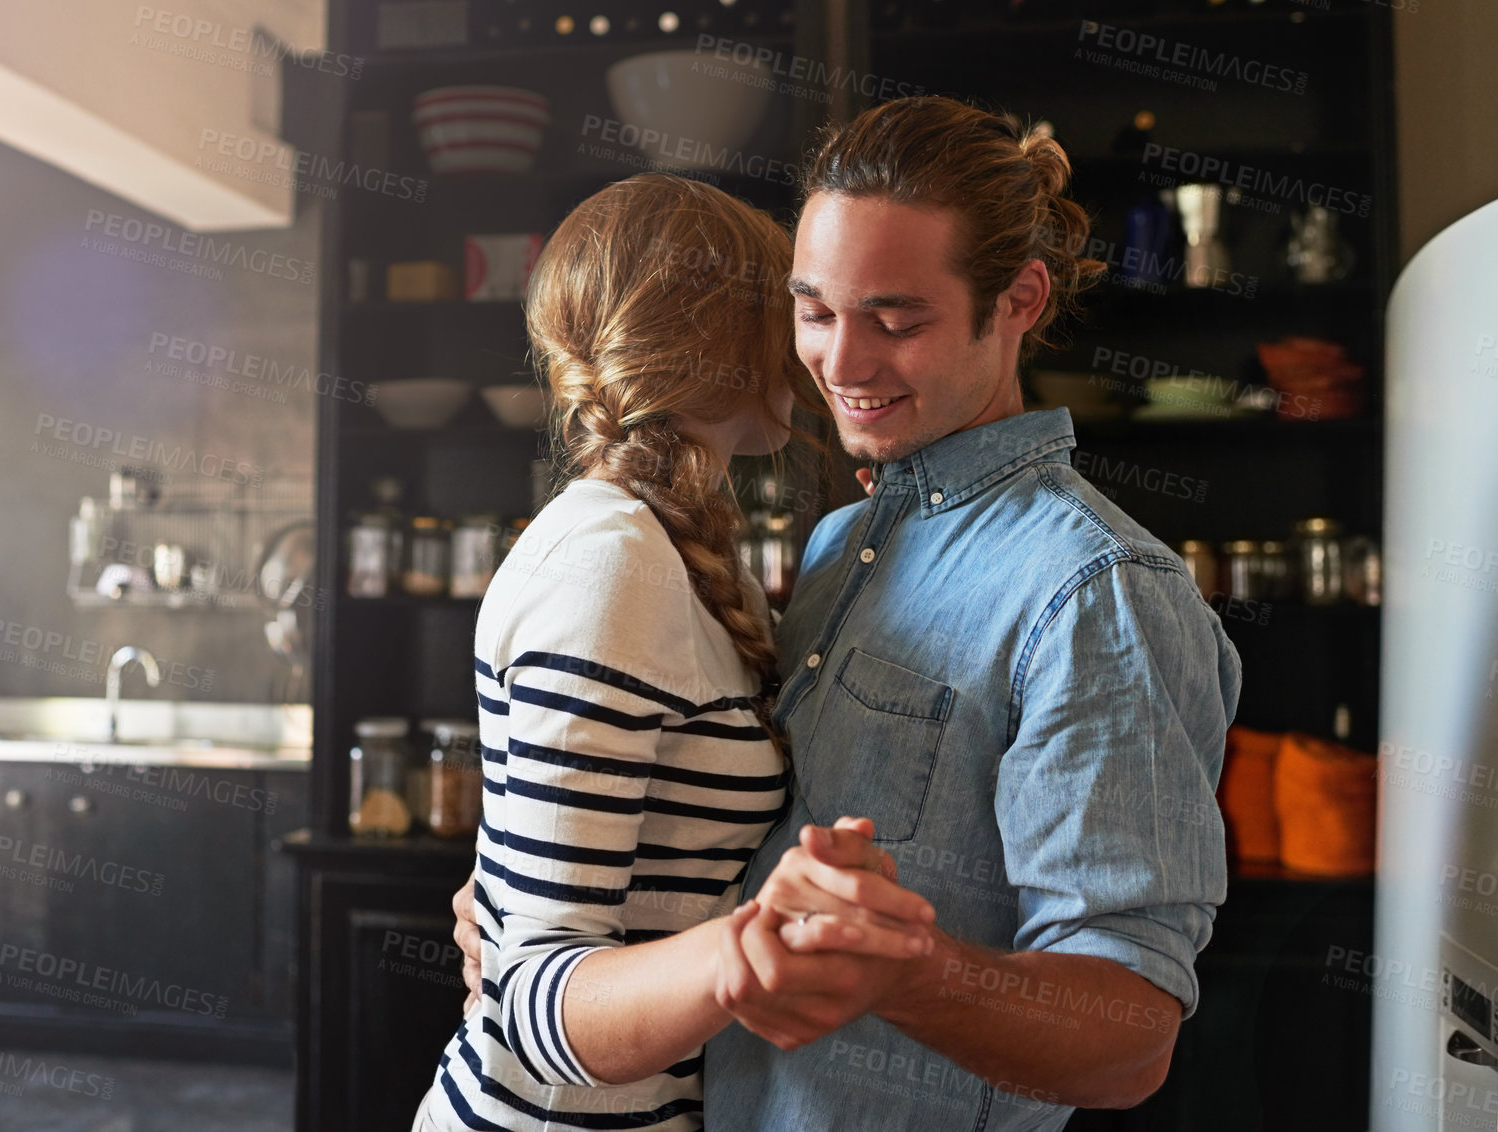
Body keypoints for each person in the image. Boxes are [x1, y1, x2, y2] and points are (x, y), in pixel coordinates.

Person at [455, 96, 1243, 1132]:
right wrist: (528, 937)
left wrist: (911, 971)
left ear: (1017, 299)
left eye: (895, 318)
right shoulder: (837, 547)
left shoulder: (1098, 593)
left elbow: (1130, 1036)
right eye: (814, 310)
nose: (840, 362)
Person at [412, 173, 934, 1132]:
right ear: (719, 338)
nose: (815, 351)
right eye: (795, 310)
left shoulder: (672, 546)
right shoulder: (605, 563)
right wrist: (752, 948)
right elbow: (534, 1005)